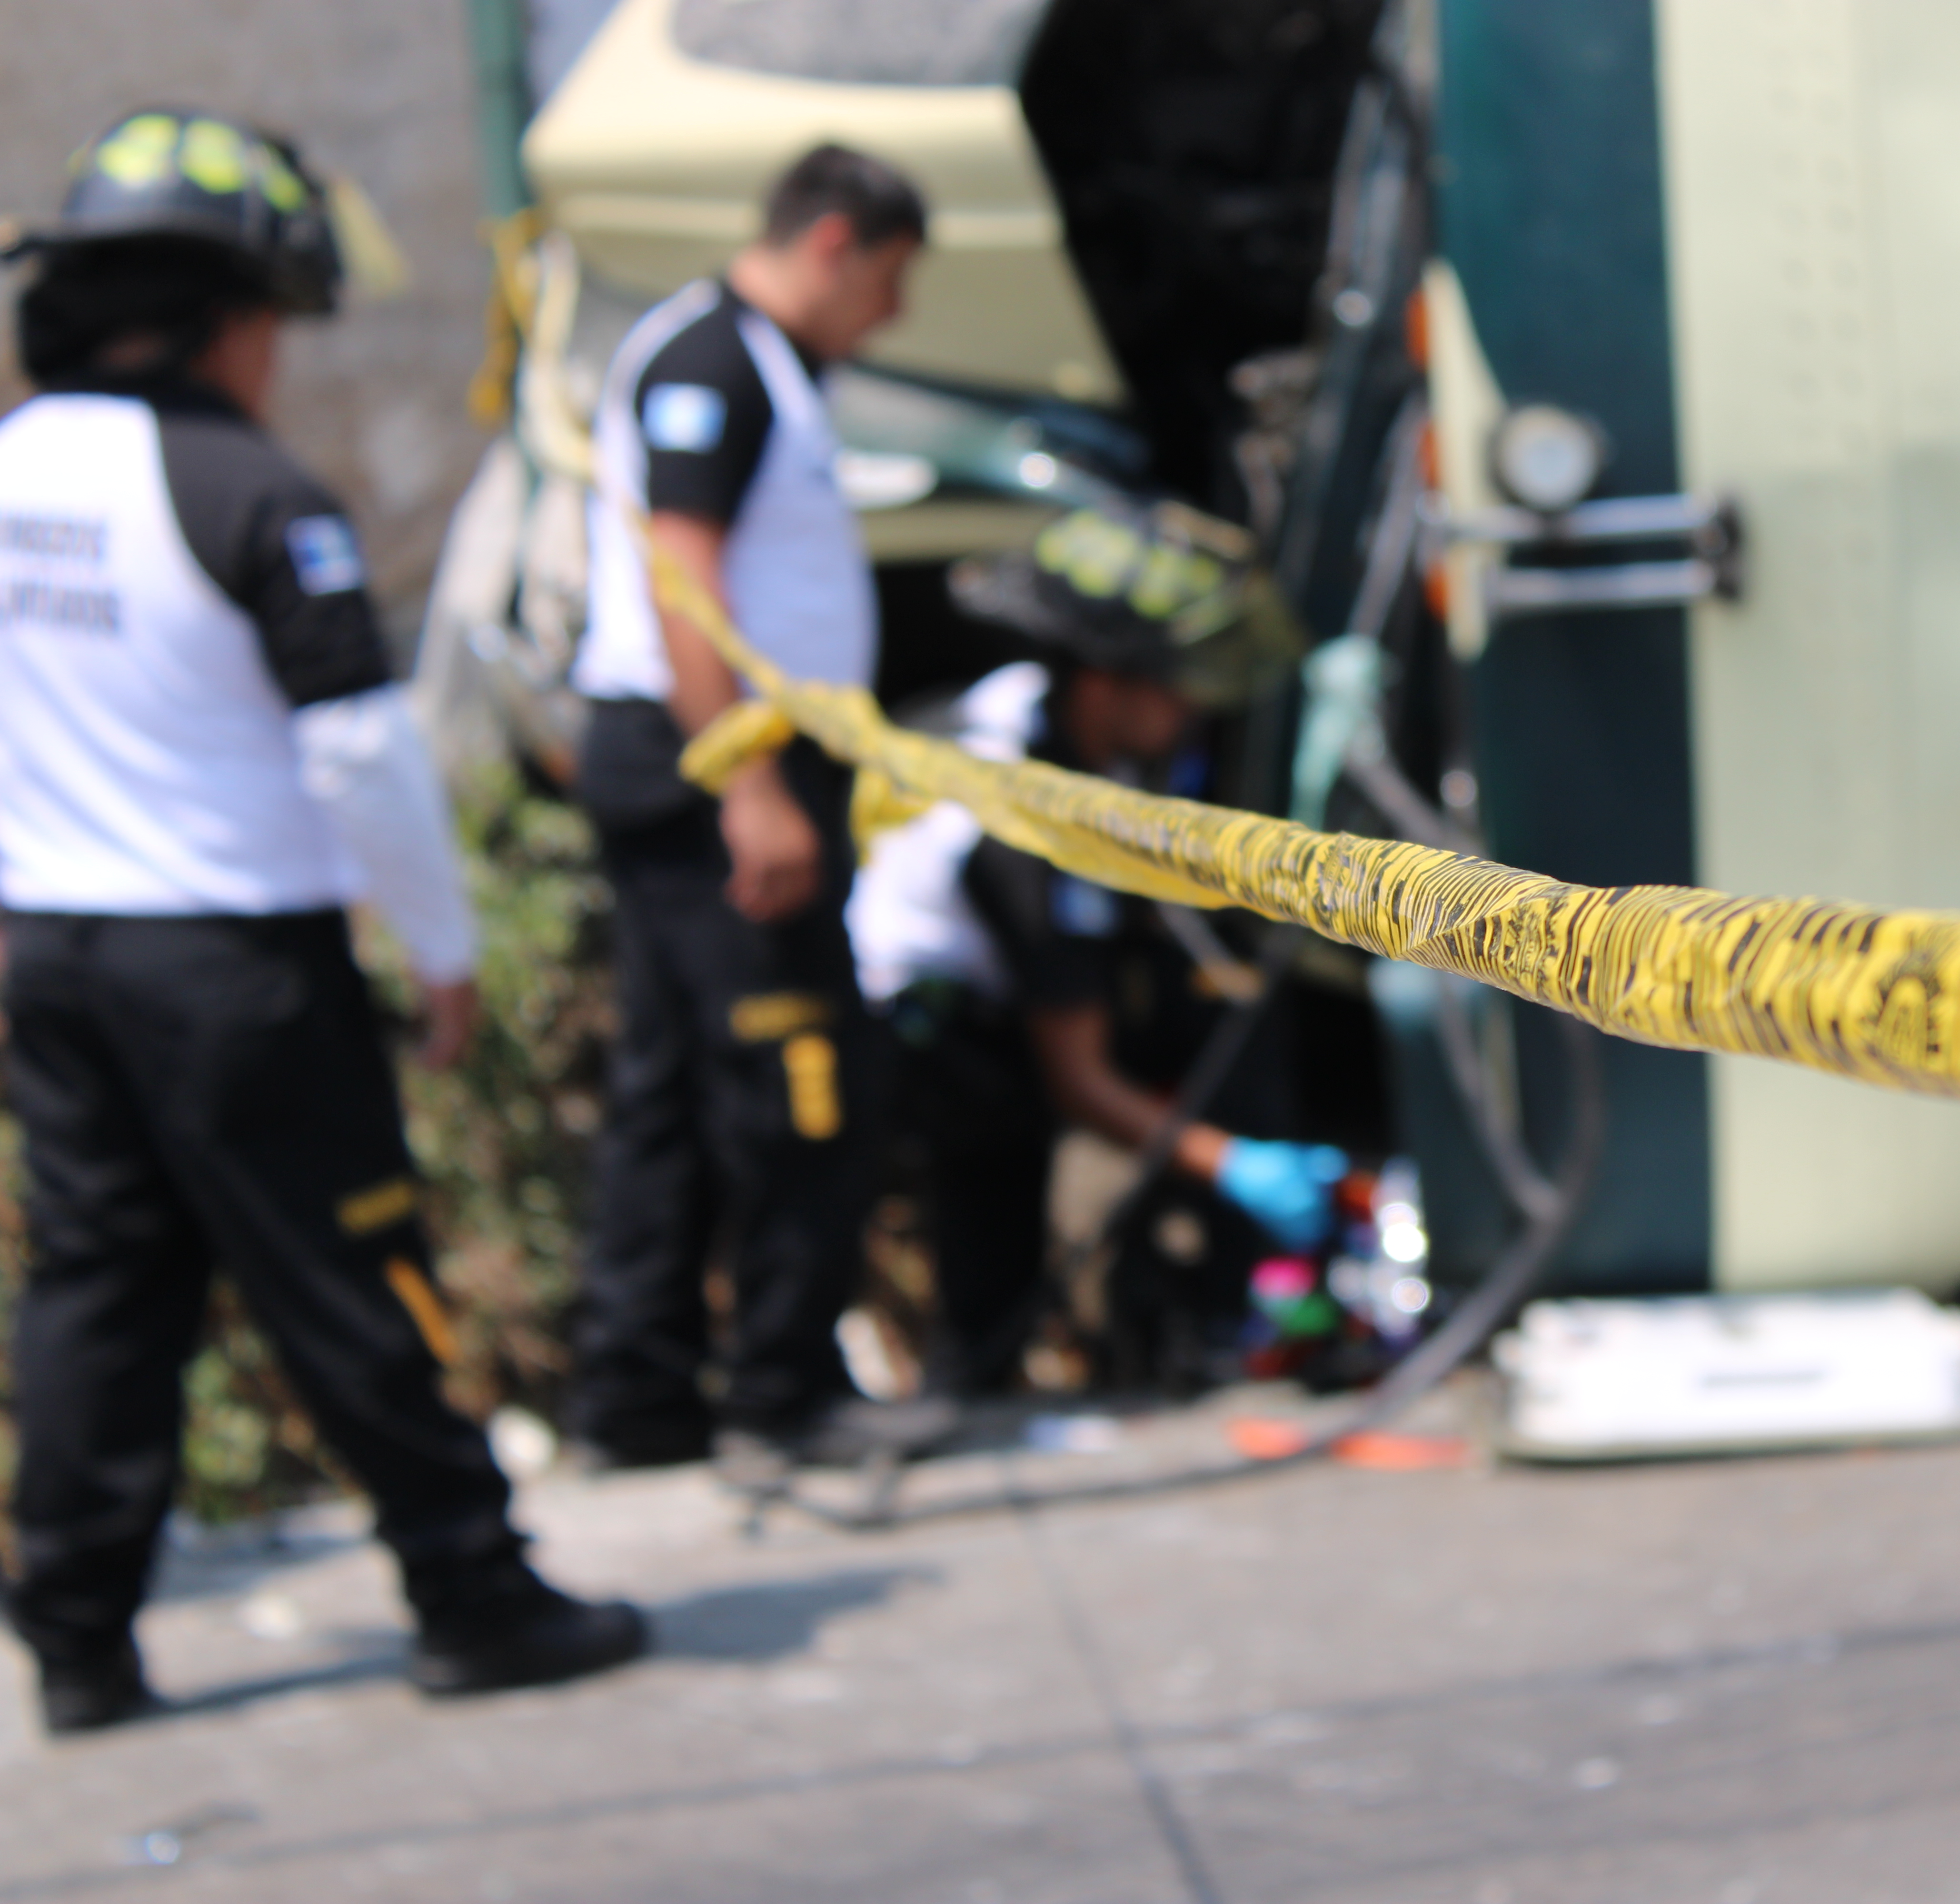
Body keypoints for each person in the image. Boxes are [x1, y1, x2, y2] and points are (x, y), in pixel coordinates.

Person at [0, 111, 644, 1735]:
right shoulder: (250, 487)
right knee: (352, 1269)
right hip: (233, 961)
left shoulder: (10, 471)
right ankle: (472, 1591)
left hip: (55, 951)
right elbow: (361, 750)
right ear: (224, 317)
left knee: (98, 1288)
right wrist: (442, 950)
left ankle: (75, 1639)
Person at [569, 144, 956, 1468]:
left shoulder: (760, 364)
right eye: (890, 279)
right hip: (718, 766)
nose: (892, 314)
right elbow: (683, 577)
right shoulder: (713, 364)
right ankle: (784, 1392)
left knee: (672, 1088)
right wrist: (749, 781)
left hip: (714, 760)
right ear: (835, 241)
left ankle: (638, 1396)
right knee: (803, 1073)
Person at [847, 497, 1342, 1396]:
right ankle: (989, 1375)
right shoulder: (1018, 824)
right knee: (995, 1219)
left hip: (999, 996)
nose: (1193, 710)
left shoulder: (1037, 712)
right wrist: (1236, 1167)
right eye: (1175, 687)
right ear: (1106, 686)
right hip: (933, 1040)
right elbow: (1077, 1079)